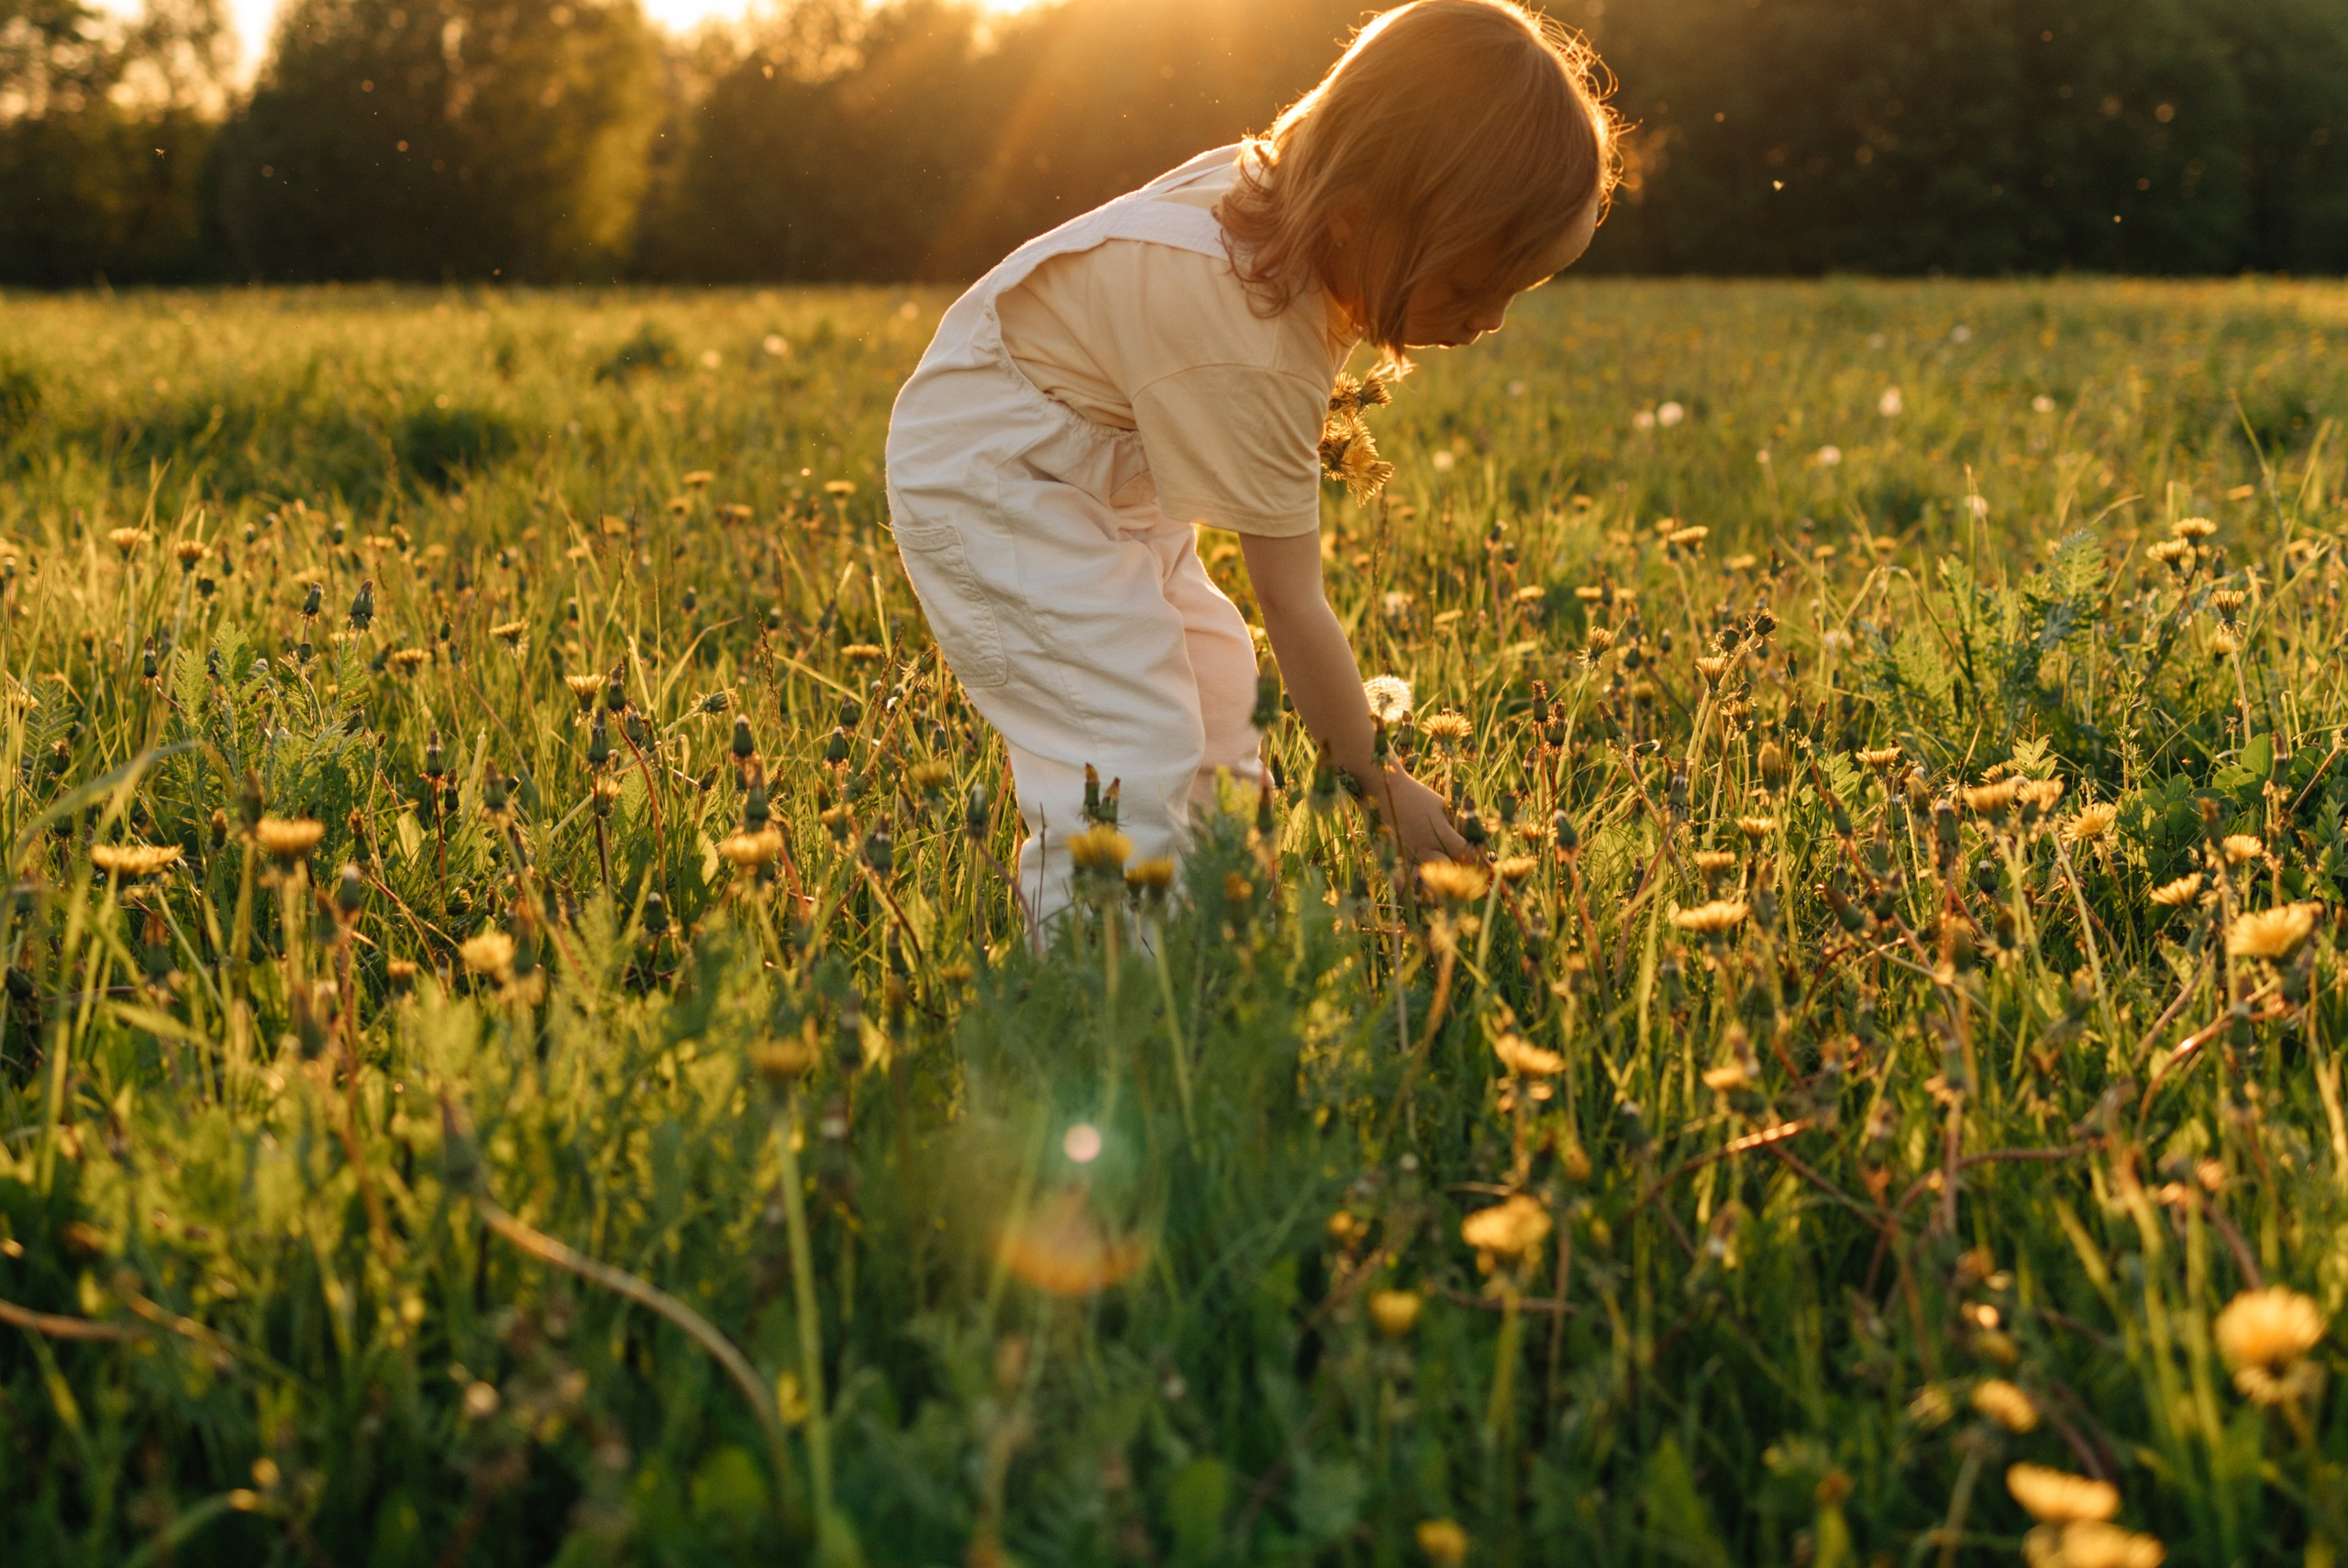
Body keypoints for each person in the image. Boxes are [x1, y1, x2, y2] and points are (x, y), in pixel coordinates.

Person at [885, 0, 1618, 923]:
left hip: (1086, 462)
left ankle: (1214, 915)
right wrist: (1377, 782)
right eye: (1471, 283)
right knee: (1123, 733)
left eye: (1514, 290)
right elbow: (1290, 599)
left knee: (1219, 694)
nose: (1489, 320)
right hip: (992, 475)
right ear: (1356, 218)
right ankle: (1099, 979)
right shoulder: (1252, 330)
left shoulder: (1294, 205)